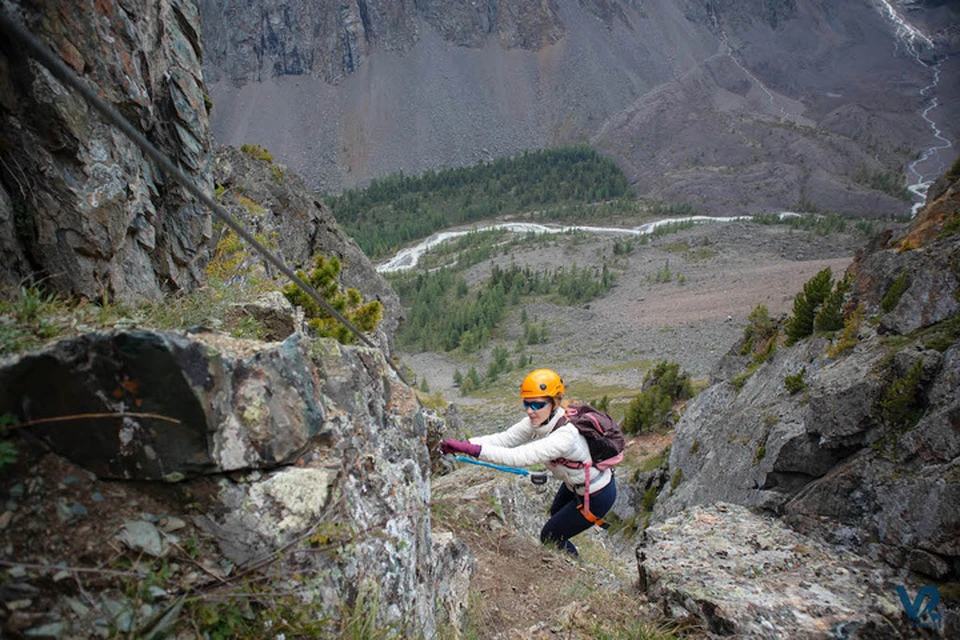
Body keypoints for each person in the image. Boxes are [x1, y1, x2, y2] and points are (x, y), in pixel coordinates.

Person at [440, 368, 617, 557]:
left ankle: (575, 570)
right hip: (575, 485)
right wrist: (464, 444)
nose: (530, 411)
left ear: (554, 403)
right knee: (556, 514)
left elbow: (519, 457)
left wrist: (470, 450)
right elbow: (505, 439)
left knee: (551, 535)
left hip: (598, 495)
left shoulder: (566, 435)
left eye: (537, 405)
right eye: (527, 403)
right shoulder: (539, 421)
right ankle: (565, 557)